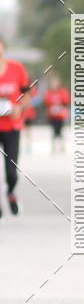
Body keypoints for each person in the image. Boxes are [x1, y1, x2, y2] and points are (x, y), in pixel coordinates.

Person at [0, 35, 31, 217]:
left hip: (11, 127)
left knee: (11, 172)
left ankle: (10, 192)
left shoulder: (16, 68)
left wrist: (18, 107)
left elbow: (27, 95)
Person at [44, 75, 70, 152]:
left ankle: (62, 146)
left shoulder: (62, 91)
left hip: (60, 115)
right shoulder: (48, 92)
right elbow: (46, 101)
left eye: (55, 83)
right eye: (53, 83)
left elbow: (66, 101)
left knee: (60, 131)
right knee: (54, 131)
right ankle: (53, 147)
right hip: (52, 116)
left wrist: (59, 103)